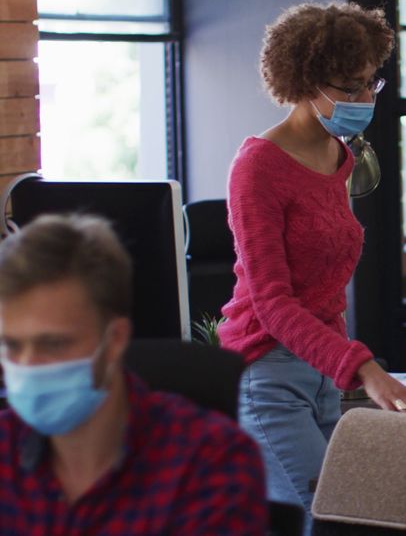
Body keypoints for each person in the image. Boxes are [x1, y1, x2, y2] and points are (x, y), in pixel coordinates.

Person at [218, 2, 406, 524]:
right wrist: (364, 369)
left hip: (323, 375)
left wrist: (342, 369)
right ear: (306, 82)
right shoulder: (257, 166)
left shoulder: (339, 156)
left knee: (364, 516)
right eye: (349, 87)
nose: (363, 98)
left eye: (369, 83)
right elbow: (272, 304)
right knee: (327, 519)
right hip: (268, 374)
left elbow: (325, 286)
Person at [0, 214, 266, 534]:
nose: (28, 365)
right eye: (11, 345)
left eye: (53, 344)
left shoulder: (211, 460)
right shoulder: (5, 449)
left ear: (115, 339)